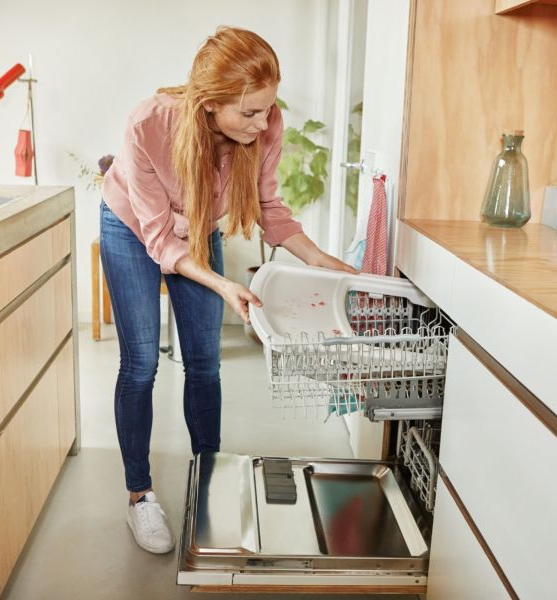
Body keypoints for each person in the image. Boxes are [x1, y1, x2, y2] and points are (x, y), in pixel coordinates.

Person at [100, 26, 357, 554]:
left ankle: (210, 477)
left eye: (268, 109)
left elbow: (268, 209)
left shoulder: (266, 124)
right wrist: (224, 285)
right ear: (211, 104)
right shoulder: (149, 125)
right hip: (132, 228)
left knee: (205, 362)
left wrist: (324, 262)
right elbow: (158, 242)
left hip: (197, 229)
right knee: (142, 363)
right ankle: (139, 495)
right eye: (250, 113)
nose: (264, 123)